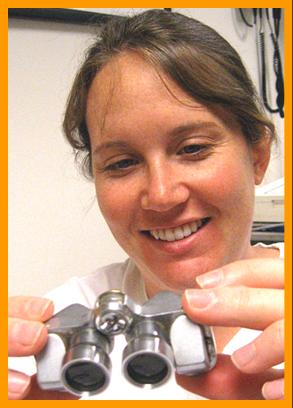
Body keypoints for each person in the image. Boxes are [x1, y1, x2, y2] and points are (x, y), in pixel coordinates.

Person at [8, 9, 284, 400]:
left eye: (193, 149)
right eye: (122, 163)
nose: (161, 194)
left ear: (257, 157)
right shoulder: (59, 327)